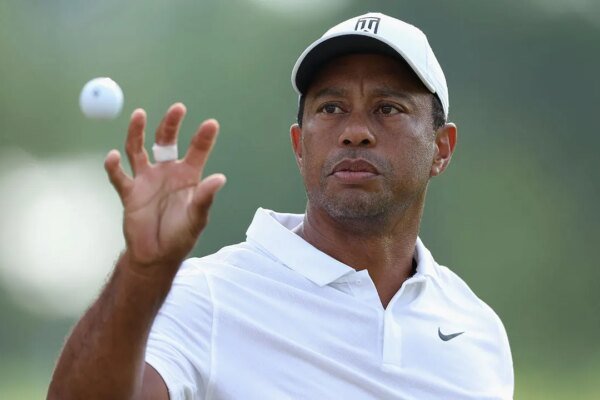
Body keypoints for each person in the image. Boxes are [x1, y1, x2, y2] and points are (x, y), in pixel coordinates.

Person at [48, 12, 513, 400]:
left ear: (441, 148)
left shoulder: (477, 330)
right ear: (299, 146)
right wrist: (142, 272)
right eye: (331, 108)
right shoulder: (205, 296)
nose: (355, 132)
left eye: (387, 108)